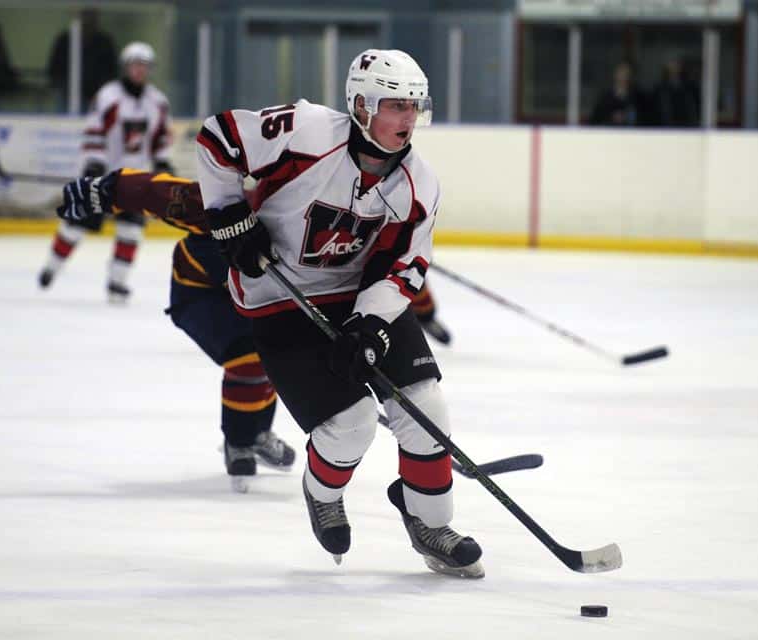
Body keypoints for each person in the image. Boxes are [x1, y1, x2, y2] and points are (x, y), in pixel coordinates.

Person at [195, 49, 483, 578]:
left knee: (427, 406)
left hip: (357, 297)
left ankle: (431, 525)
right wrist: (228, 212)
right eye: (395, 106)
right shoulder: (305, 133)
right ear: (361, 106)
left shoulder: (420, 184)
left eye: (414, 106)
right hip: (279, 300)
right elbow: (219, 138)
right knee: (351, 425)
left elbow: (405, 268)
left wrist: (371, 324)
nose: (408, 118)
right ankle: (323, 493)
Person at [54, 168, 297, 492]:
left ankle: (258, 433)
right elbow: (158, 192)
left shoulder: (310, 226)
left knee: (281, 352)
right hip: (200, 294)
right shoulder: (223, 207)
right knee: (248, 355)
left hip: (252, 297)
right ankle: (239, 442)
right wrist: (105, 191)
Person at [38, 42, 173, 304]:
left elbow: (160, 139)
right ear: (125, 67)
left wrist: (162, 162)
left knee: (131, 231)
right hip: (103, 177)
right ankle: (52, 267)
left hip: (134, 179)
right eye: (135, 65)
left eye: (144, 66)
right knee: (76, 226)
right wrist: (94, 161)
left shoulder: (158, 102)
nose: (139, 70)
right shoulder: (108, 96)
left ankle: (117, 283)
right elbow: (94, 130)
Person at [46, 9, 119, 110]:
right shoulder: (64, 40)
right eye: (85, 16)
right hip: (67, 96)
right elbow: (54, 70)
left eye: (92, 16)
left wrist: (103, 90)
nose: (88, 20)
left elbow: (112, 71)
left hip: (97, 96)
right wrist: (62, 86)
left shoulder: (105, 42)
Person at [589, 61, 649, 127]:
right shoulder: (604, 99)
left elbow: (647, 123)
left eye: (628, 74)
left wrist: (628, 118)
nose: (625, 78)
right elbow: (594, 123)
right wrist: (611, 119)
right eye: (622, 74)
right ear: (615, 75)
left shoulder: (640, 99)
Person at [651, 57, 700, 128]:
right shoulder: (660, 90)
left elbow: (693, 111)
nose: (674, 68)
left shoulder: (690, 89)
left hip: (687, 129)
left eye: (677, 65)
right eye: (671, 65)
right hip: (665, 129)